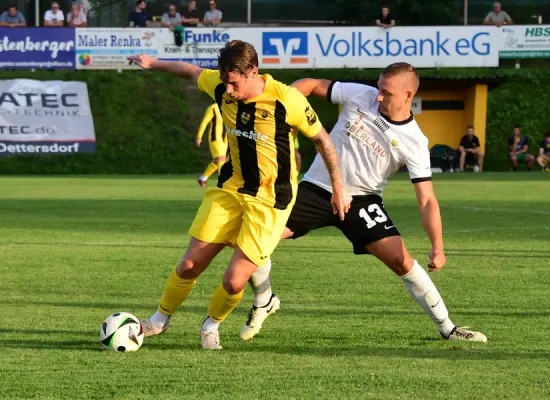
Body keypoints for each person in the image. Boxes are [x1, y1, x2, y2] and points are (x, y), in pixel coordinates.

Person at [240, 63, 487, 344]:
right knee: (257, 240)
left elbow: (427, 199)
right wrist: (282, 105)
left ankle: (449, 328)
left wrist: (438, 247)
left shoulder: (415, 141)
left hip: (362, 200)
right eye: (379, 88)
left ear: (408, 95)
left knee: (402, 260)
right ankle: (264, 300)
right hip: (317, 190)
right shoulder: (360, 94)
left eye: (387, 92)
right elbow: (309, 83)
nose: (378, 96)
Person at [127, 40, 350, 350]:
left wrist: (338, 187)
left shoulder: (288, 101)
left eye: (234, 83)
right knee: (190, 264)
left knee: (234, 280)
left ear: (253, 71)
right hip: (229, 190)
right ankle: (158, 321)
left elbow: (324, 142)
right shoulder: (220, 86)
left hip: (271, 202)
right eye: (224, 82)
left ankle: (211, 324)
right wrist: (154, 64)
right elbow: (191, 72)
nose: (228, 90)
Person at [195, 103, 226, 187]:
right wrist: (199, 136)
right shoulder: (213, 108)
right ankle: (223, 181)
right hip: (215, 137)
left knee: (218, 160)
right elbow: (204, 122)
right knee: (221, 158)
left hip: (225, 139)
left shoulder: (229, 107)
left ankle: (203, 178)